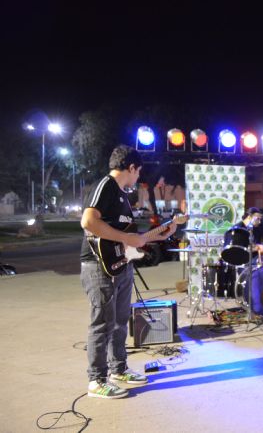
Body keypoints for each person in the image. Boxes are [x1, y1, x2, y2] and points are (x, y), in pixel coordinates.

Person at [80, 145, 178, 399]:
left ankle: (119, 369)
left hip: (120, 264)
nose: (138, 177)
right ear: (131, 168)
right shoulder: (106, 186)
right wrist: (126, 238)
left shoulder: (123, 196)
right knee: (102, 323)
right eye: (138, 172)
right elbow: (88, 221)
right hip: (98, 266)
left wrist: (162, 234)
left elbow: (131, 238)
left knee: (120, 321)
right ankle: (96, 381)